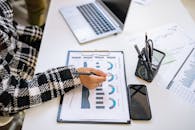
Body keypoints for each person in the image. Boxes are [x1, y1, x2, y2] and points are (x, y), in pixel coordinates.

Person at [0, 0, 107, 117]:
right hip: (28, 84)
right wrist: (74, 77)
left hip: (32, 55)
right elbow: (8, 98)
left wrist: (47, 35)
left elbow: (9, 30)